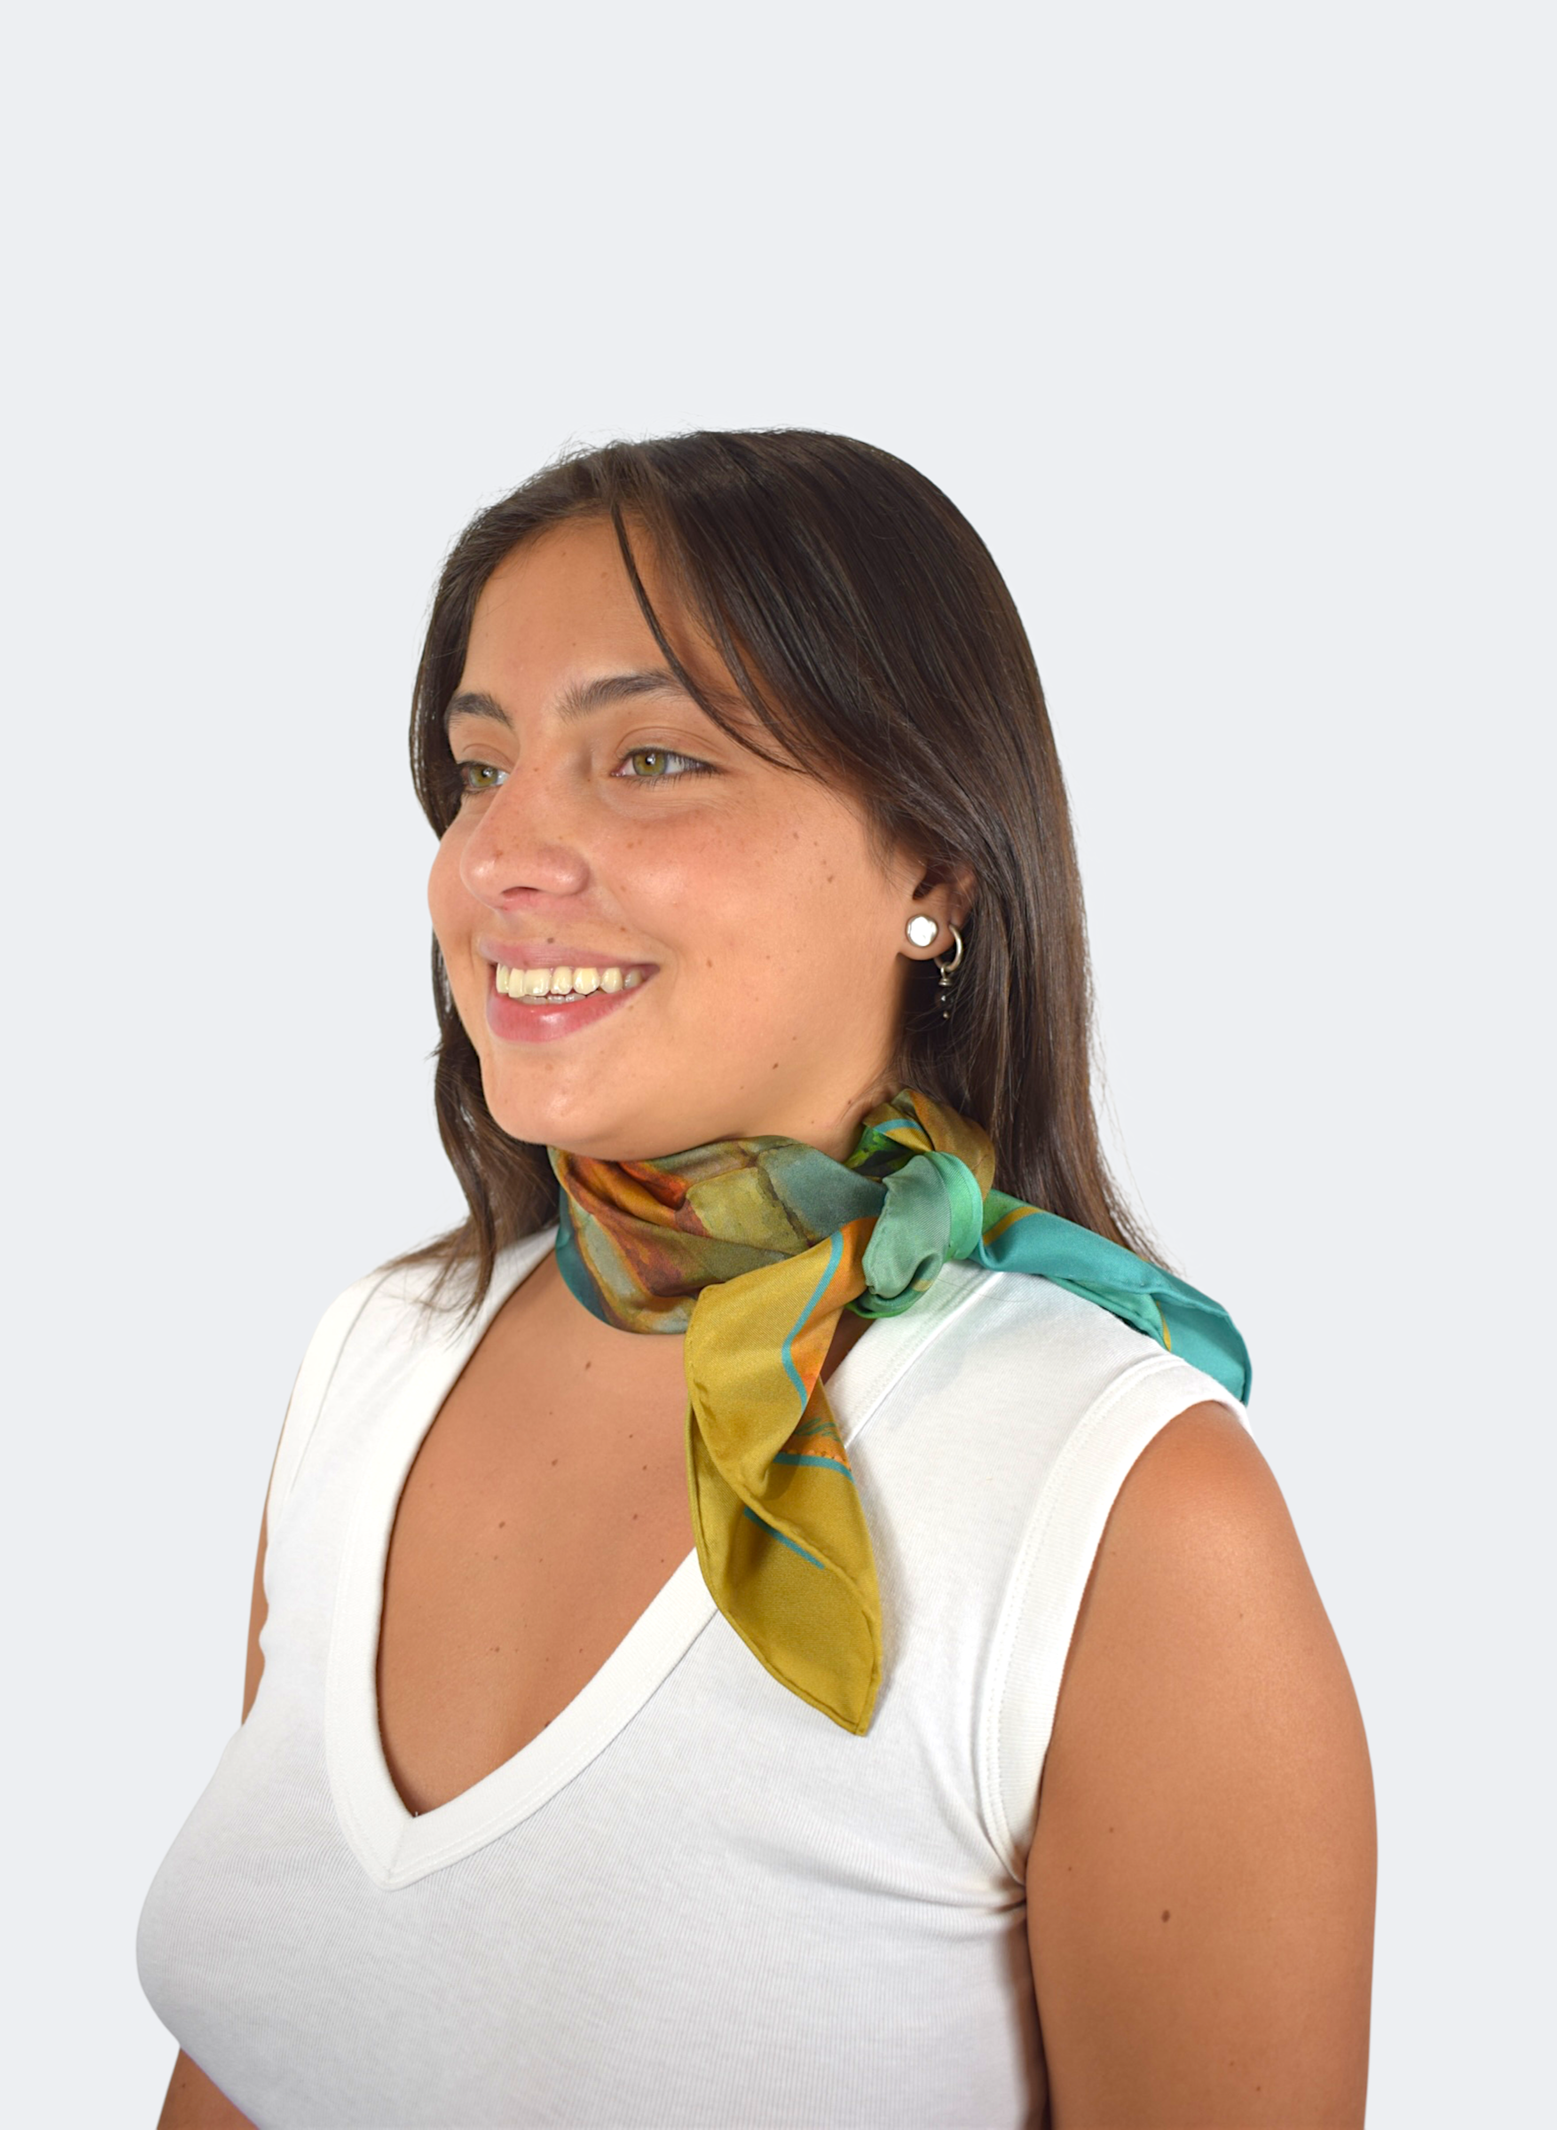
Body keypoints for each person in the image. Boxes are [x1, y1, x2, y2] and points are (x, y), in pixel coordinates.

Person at [138, 429, 1376, 2128]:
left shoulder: (1133, 1517)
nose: (498, 859)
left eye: (650, 757)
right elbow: (268, 2052)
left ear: (929, 866)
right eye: (481, 768)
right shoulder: (373, 1360)